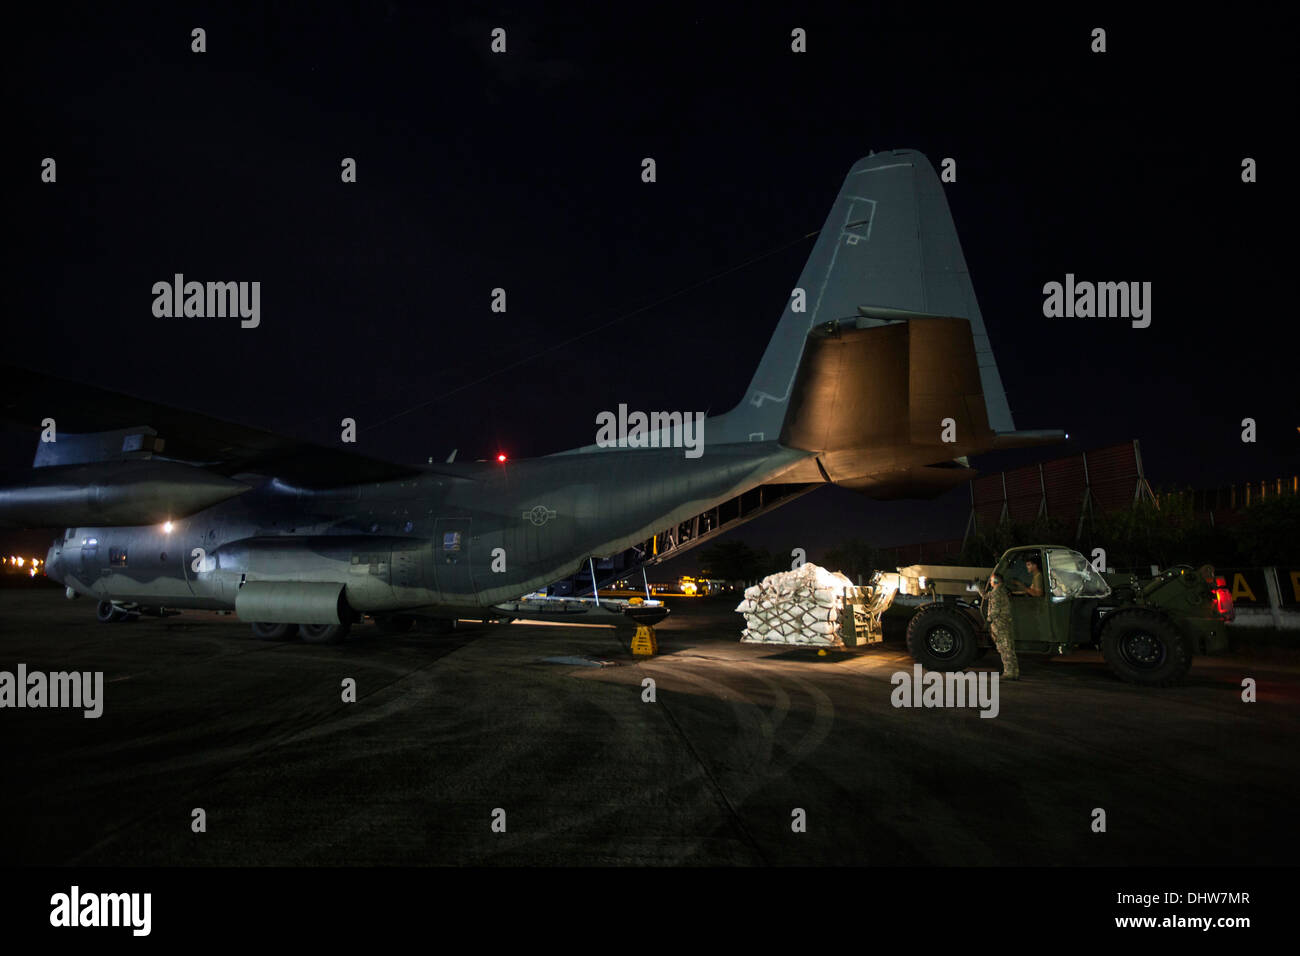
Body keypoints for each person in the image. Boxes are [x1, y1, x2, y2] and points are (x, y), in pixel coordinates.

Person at [986, 572, 1019, 680]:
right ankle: (1014, 672)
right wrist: (979, 589)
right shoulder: (1002, 590)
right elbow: (987, 596)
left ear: (995, 581)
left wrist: (988, 620)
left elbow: (995, 610)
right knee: (1009, 647)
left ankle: (1008, 673)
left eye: (991, 580)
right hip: (1005, 623)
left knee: (1004, 648)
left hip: (999, 624)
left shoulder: (996, 592)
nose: (990, 582)